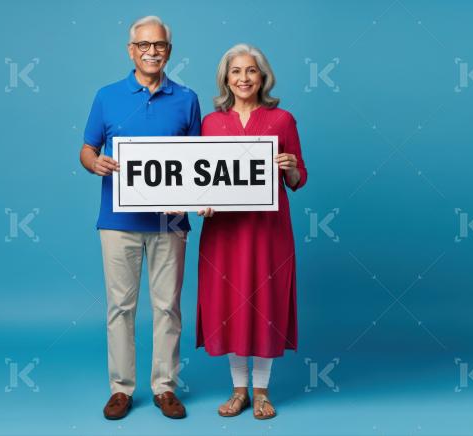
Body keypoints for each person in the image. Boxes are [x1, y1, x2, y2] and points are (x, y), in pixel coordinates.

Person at [79, 15, 201, 420]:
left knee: (168, 307)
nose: (152, 52)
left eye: (160, 45)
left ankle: (165, 387)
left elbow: (200, 163)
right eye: (144, 45)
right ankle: (121, 389)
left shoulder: (186, 98)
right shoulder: (107, 96)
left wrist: (192, 197)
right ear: (131, 50)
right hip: (118, 221)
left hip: (170, 224)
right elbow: (86, 148)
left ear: (169, 50)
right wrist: (94, 163)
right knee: (120, 307)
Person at [195, 43, 308, 420]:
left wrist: (290, 166)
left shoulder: (283, 120)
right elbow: (202, 178)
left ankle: (261, 392)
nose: (243, 78)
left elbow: (298, 179)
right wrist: (201, 200)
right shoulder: (210, 123)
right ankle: (238, 390)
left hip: (267, 230)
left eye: (251, 71)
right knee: (229, 302)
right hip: (224, 231)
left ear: (263, 77)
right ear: (225, 78)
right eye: (236, 72)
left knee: (265, 303)